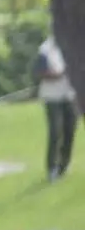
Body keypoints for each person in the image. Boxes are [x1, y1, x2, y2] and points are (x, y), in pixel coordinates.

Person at [33, 33, 79, 182]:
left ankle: (64, 164)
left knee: (70, 130)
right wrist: (60, 74)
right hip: (52, 97)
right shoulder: (45, 50)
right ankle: (52, 167)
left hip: (69, 95)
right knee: (55, 131)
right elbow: (40, 73)